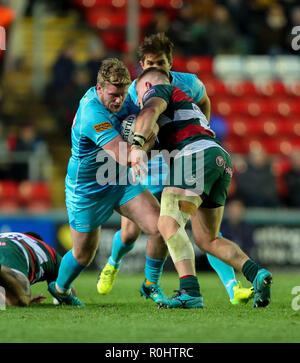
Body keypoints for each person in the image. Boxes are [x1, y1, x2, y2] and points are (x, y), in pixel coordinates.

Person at [97, 33, 253, 306]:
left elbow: (203, 103)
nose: (155, 66)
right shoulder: (135, 89)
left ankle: (231, 286)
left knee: (197, 226)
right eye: (149, 61)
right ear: (142, 63)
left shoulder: (189, 82)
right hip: (149, 160)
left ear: (171, 62)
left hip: (182, 158)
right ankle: (112, 262)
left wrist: (196, 131)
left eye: (161, 61)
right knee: (131, 231)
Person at [131, 67, 272, 309]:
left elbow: (150, 111)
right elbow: (158, 141)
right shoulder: (182, 105)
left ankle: (190, 292)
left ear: (145, 87)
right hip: (219, 158)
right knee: (208, 239)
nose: (139, 100)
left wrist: (134, 143)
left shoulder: (158, 91)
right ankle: (257, 274)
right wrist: (139, 149)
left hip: (195, 155)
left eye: (138, 92)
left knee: (167, 223)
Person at [48, 58, 169, 307]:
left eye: (123, 94)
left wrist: (146, 132)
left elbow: (149, 121)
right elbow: (124, 154)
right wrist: (144, 142)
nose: (119, 100)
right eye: (114, 94)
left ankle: (151, 285)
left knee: (160, 227)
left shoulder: (124, 99)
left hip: (118, 180)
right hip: (87, 189)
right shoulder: (92, 113)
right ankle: (60, 290)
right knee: (83, 254)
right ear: (99, 88)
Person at [0, 231, 74, 307]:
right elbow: (67, 291)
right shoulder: (48, 251)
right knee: (21, 301)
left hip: (10, 247)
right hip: (14, 251)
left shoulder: (9, 236)